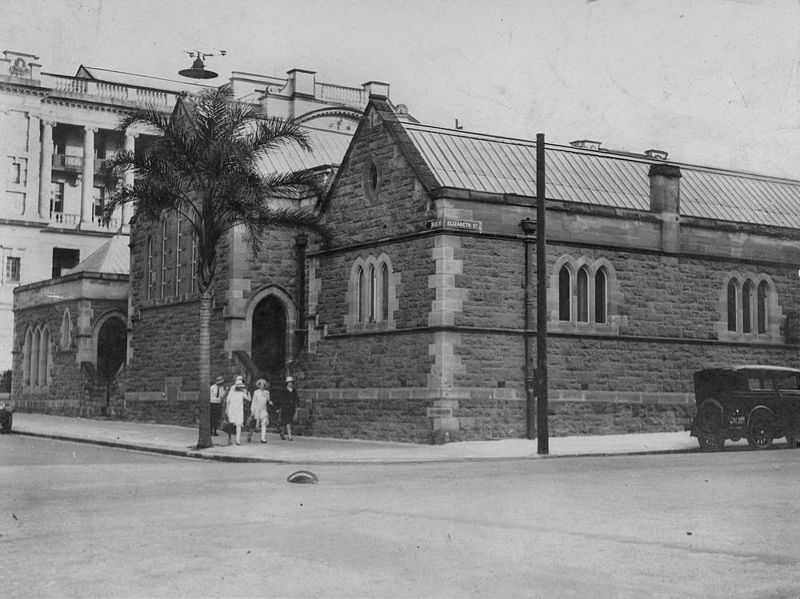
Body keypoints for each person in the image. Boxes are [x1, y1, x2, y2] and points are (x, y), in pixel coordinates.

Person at [224, 375, 249, 445]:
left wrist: (246, 392)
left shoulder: (242, 392)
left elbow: (248, 399)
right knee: (231, 424)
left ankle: (238, 440)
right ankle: (229, 438)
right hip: (232, 409)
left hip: (239, 410)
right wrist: (226, 409)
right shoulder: (232, 390)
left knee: (239, 424)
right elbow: (228, 401)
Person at [248, 378, 271, 443]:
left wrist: (269, 400)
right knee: (254, 424)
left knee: (264, 423)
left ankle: (263, 438)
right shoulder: (256, 392)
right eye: (260, 384)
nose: (262, 386)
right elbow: (254, 402)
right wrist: (252, 410)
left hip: (263, 409)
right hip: (257, 409)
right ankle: (250, 435)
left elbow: (268, 400)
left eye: (263, 384)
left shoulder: (267, 392)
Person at [280, 376, 299, 440]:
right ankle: (286, 434)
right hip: (285, 407)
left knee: (289, 421)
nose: (290, 384)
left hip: (291, 407)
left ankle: (286, 434)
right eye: (289, 382)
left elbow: (296, 399)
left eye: (291, 382)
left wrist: (297, 407)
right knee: (285, 421)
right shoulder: (284, 390)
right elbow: (282, 399)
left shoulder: (294, 391)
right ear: (287, 383)